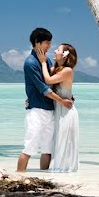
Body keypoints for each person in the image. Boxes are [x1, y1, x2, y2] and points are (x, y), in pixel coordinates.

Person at [16, 28, 75, 173]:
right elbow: (43, 88)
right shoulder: (30, 63)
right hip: (36, 111)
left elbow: (54, 81)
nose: (49, 46)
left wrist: (68, 94)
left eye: (50, 43)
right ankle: (18, 178)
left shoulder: (46, 60)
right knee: (29, 147)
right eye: (47, 43)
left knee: (48, 149)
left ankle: (44, 178)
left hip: (50, 110)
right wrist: (62, 101)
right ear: (37, 42)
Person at [36, 43, 80, 173]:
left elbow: (48, 80)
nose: (54, 50)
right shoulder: (55, 68)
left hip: (66, 111)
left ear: (65, 55)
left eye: (58, 49)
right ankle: (54, 173)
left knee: (64, 143)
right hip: (58, 109)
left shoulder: (67, 70)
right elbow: (43, 84)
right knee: (55, 142)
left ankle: (64, 174)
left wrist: (43, 63)